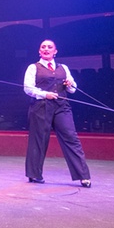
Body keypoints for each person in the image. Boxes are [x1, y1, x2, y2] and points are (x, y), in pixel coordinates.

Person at [23, 39, 91, 188]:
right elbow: (28, 88)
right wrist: (44, 94)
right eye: (43, 47)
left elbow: (73, 89)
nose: (46, 49)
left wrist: (69, 84)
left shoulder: (63, 68)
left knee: (71, 138)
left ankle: (83, 176)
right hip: (41, 107)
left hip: (61, 107)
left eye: (49, 47)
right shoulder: (33, 68)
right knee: (39, 140)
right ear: (39, 51)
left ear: (55, 51)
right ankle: (34, 174)